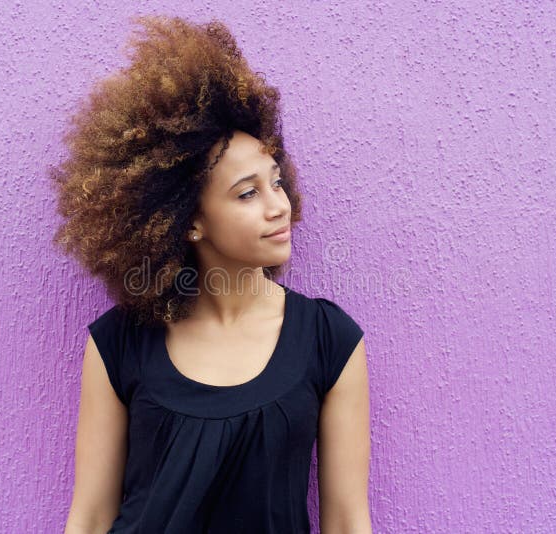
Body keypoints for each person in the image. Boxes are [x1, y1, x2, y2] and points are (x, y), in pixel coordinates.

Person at [51, 14, 371, 534]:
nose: (278, 206)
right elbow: (88, 517)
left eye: (276, 182)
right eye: (248, 193)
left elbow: (347, 519)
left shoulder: (329, 341)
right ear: (191, 221)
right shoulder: (120, 343)